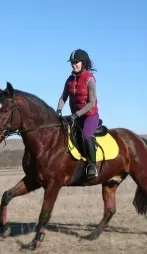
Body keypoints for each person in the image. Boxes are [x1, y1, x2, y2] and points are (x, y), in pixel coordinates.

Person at [56, 48, 99, 180]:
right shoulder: (69, 80)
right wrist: (58, 110)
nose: (74, 64)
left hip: (90, 116)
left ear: (83, 63)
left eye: (76, 62)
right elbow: (63, 97)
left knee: (86, 135)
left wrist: (76, 115)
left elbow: (92, 103)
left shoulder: (90, 79)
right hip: (76, 116)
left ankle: (92, 166)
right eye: (72, 62)